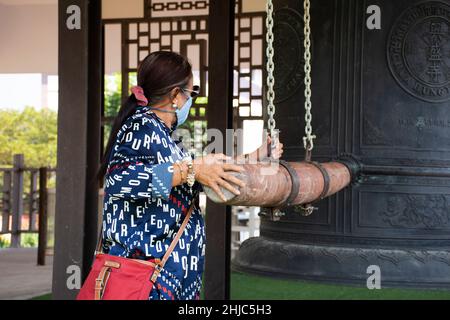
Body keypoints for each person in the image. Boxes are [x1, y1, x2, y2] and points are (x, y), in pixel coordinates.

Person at [98, 51, 283, 300]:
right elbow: (119, 181)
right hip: (145, 275)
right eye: (191, 92)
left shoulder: (166, 135)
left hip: (171, 273)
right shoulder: (140, 127)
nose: (191, 99)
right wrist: (191, 170)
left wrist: (254, 157)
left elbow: (197, 174)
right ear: (175, 95)